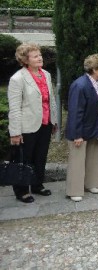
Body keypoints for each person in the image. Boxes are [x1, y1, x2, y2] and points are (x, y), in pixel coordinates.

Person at [7, 43, 57, 203]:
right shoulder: (17, 78)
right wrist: (15, 132)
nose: (40, 58)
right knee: (24, 159)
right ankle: (22, 190)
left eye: (40, 55)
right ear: (25, 60)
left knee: (40, 157)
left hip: (45, 123)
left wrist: (54, 121)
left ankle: (37, 184)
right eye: (35, 56)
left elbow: (51, 100)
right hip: (27, 126)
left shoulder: (46, 75)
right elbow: (14, 108)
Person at [65, 54, 98, 202]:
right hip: (80, 130)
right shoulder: (80, 85)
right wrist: (77, 135)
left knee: (92, 157)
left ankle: (91, 183)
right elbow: (75, 112)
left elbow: (93, 103)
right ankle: (74, 190)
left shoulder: (97, 82)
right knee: (77, 161)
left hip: (93, 127)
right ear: (94, 69)